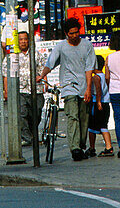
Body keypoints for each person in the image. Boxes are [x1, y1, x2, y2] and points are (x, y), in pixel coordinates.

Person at [37, 17, 95, 162]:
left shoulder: (87, 45)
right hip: (69, 86)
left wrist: (88, 88)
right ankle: (74, 148)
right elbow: (51, 62)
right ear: (66, 33)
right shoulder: (61, 46)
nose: (74, 36)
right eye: (71, 33)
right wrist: (42, 75)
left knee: (84, 118)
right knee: (72, 116)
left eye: (76, 33)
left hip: (84, 85)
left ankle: (81, 145)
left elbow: (89, 68)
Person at [3, 31, 41, 146]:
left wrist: (44, 82)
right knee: (22, 113)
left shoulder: (36, 54)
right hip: (20, 90)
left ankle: (31, 133)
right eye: (21, 39)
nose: (23, 41)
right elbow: (6, 75)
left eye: (25, 39)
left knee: (36, 112)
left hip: (36, 89)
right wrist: (6, 91)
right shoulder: (12, 56)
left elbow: (42, 69)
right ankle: (28, 137)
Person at [87, 55, 114, 157]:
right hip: (106, 103)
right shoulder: (104, 76)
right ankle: (108, 146)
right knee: (103, 125)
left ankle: (95, 147)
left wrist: (98, 101)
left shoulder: (96, 77)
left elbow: (98, 90)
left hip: (97, 103)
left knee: (92, 127)